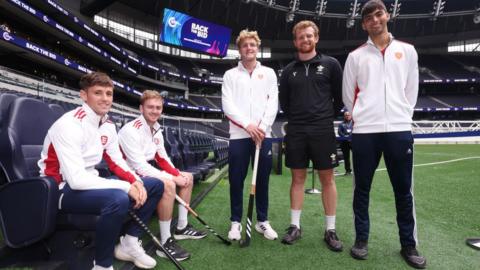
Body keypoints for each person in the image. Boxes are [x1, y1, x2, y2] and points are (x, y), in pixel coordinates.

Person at [37, 72, 163, 270]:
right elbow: (77, 180)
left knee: (154, 184)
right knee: (117, 198)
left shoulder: (108, 125)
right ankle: (102, 265)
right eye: (98, 93)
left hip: (89, 183)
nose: (105, 99)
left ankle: (129, 243)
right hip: (60, 188)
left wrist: (135, 180)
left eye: (109, 93)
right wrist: (125, 186)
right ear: (84, 95)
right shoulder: (68, 124)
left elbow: (116, 161)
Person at [342, 1, 426, 268]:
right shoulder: (356, 56)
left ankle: (409, 245)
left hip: (399, 131)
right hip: (365, 131)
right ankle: (361, 239)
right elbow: (348, 96)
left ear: (387, 15)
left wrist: (401, 115)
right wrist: (362, 115)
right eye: (368, 17)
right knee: (361, 190)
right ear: (364, 24)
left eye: (378, 14)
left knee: (404, 191)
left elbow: (411, 91)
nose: (374, 20)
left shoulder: (408, 51)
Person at [118, 90, 206, 261]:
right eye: (150, 107)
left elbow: (162, 158)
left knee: (187, 177)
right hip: (129, 176)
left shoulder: (156, 129)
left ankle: (182, 227)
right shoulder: (130, 130)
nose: (155, 111)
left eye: (158, 107)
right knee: (169, 184)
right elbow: (139, 166)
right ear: (141, 108)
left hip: (144, 172)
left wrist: (177, 174)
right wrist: (172, 178)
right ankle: (164, 243)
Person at [278, 20, 343, 251]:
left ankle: (330, 229)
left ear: (316, 37)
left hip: (323, 130)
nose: (305, 40)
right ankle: (295, 226)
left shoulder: (331, 64)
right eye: (300, 37)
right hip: (296, 130)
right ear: (295, 41)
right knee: (297, 179)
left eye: (309, 36)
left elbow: (339, 97)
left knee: (328, 179)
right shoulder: (288, 71)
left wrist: (322, 117)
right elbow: (284, 102)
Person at [221, 29, 279, 241]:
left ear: (257, 47)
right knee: (236, 180)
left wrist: (261, 127)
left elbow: (273, 102)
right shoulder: (230, 75)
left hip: (263, 135)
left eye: (252, 45)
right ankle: (236, 222)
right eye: (245, 45)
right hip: (238, 136)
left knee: (262, 179)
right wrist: (248, 126)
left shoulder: (270, 73)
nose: (249, 48)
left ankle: (262, 221)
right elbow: (227, 105)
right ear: (240, 49)